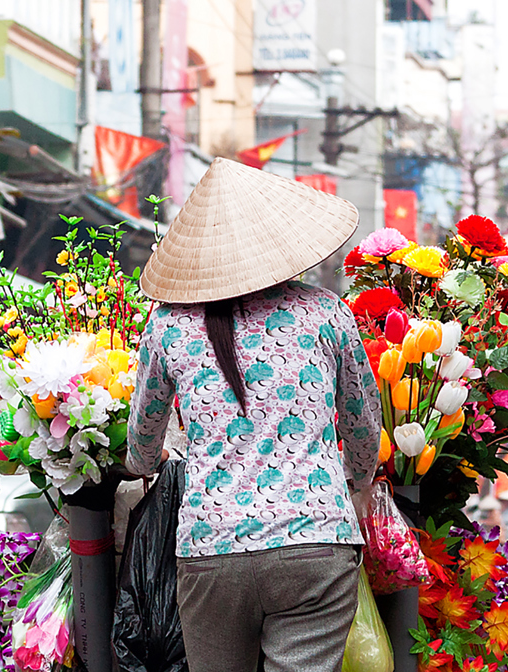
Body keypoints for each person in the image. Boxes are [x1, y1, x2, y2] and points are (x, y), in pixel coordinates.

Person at [125, 158, 381, 672]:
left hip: (210, 546)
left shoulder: (169, 325)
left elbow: (142, 442)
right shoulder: (326, 312)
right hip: (316, 541)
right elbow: (362, 427)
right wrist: (357, 480)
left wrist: (146, 461)